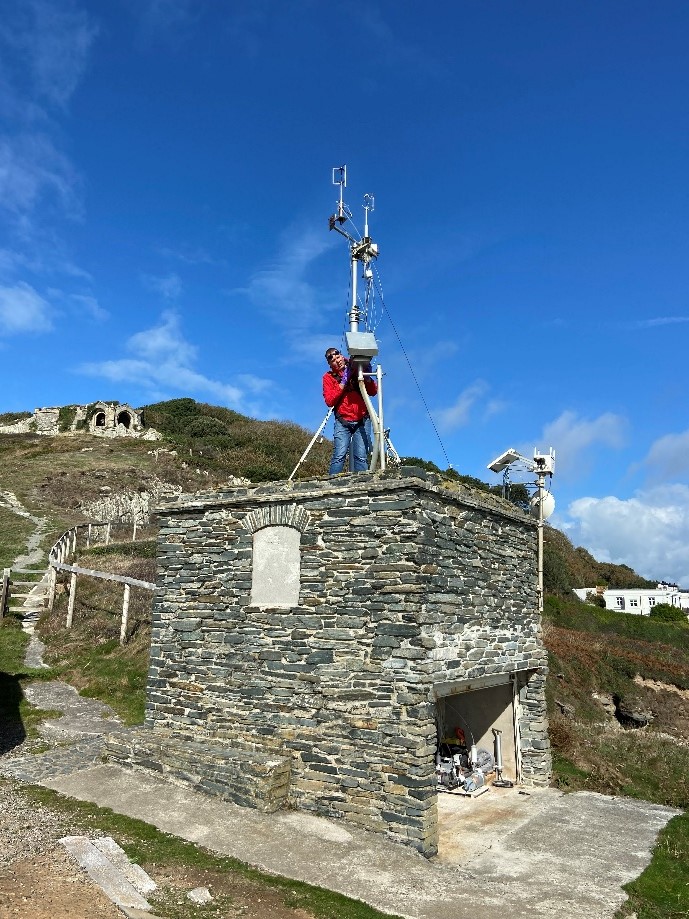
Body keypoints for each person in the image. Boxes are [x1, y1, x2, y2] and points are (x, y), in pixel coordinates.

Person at [323, 347, 377, 475]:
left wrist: (367, 377)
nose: (337, 361)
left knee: (361, 456)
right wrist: (343, 383)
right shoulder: (328, 377)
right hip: (343, 420)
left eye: (338, 357)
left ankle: (361, 485)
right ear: (330, 364)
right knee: (339, 456)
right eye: (333, 361)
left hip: (362, 419)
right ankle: (332, 485)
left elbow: (373, 391)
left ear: (341, 356)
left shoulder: (356, 366)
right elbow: (329, 401)